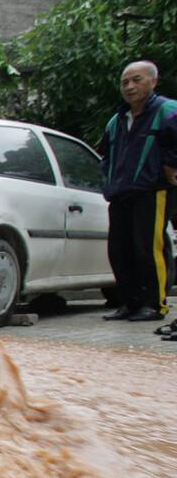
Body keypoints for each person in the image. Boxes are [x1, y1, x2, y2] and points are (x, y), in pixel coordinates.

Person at [97, 60, 177, 327]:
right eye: (125, 82)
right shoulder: (116, 120)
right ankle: (130, 303)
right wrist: (109, 180)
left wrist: (169, 164)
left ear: (153, 82)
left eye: (137, 80)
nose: (130, 86)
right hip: (120, 193)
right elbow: (106, 155)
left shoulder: (167, 110)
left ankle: (154, 304)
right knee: (119, 249)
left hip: (151, 191)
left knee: (148, 248)